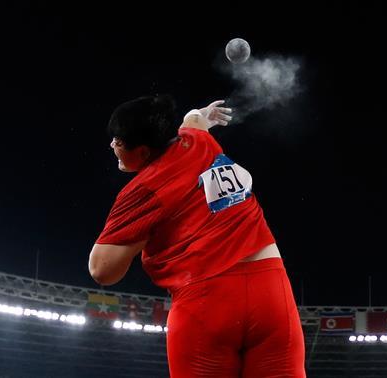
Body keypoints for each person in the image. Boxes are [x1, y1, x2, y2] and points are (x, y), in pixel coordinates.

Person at [88, 95, 305, 377]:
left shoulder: (141, 192)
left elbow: (102, 270)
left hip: (206, 302)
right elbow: (194, 118)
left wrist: (146, 231)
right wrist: (205, 113)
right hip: (272, 292)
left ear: (142, 152)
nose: (112, 146)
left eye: (118, 142)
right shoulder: (199, 141)